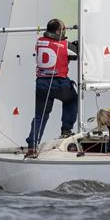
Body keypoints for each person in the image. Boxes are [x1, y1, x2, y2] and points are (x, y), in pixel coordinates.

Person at [25, 18, 78, 158]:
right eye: (63, 29)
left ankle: (32, 145)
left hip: (41, 83)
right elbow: (76, 54)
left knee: (40, 116)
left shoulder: (39, 42)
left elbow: (53, 46)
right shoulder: (65, 44)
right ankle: (66, 129)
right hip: (59, 83)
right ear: (58, 31)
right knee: (72, 99)